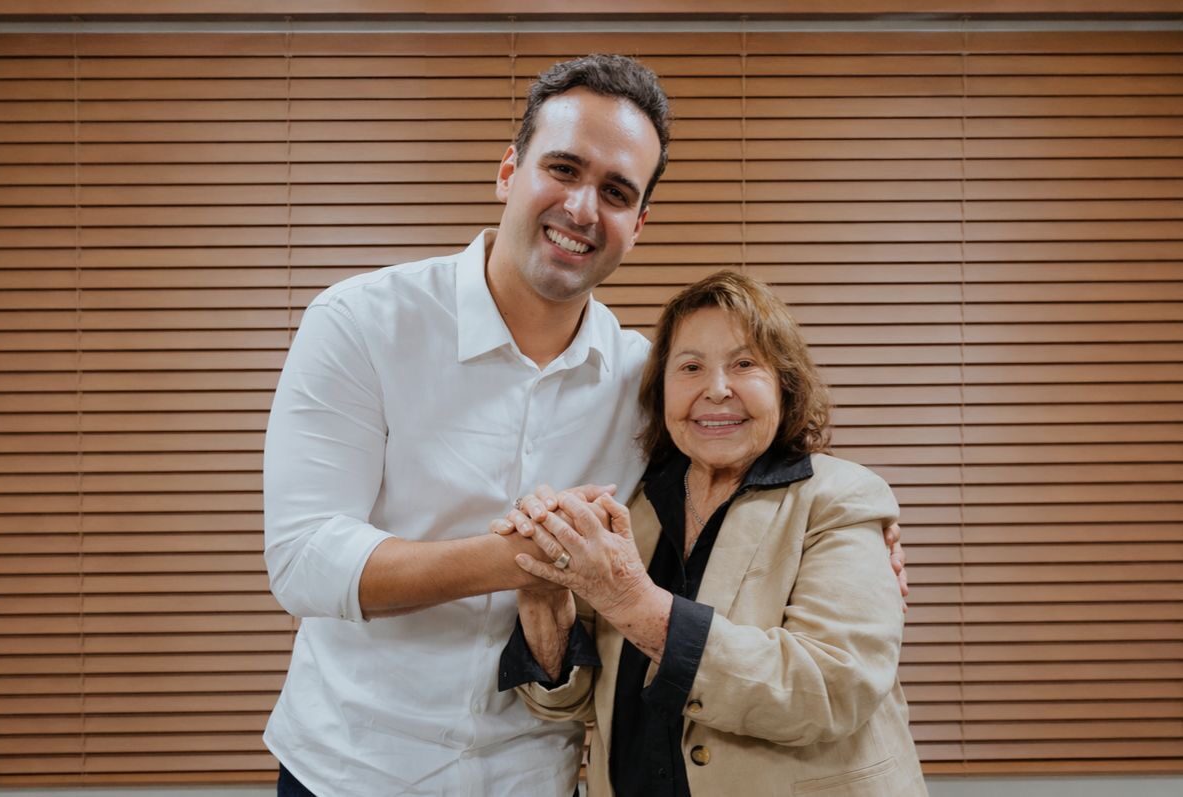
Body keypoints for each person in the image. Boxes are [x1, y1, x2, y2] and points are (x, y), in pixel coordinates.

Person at [263, 54, 906, 796]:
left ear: (638, 222)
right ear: (509, 170)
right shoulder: (361, 324)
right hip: (351, 767)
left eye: (615, 191)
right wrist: (530, 559)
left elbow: (744, 476)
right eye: (562, 169)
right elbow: (305, 558)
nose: (580, 207)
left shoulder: (647, 382)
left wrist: (860, 546)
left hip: (537, 773)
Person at [498, 271, 927, 796]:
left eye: (744, 364)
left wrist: (630, 600)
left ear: (785, 385)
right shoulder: (635, 508)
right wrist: (543, 593)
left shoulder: (842, 497)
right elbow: (568, 700)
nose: (717, 389)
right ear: (663, 393)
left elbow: (829, 690)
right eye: (691, 367)